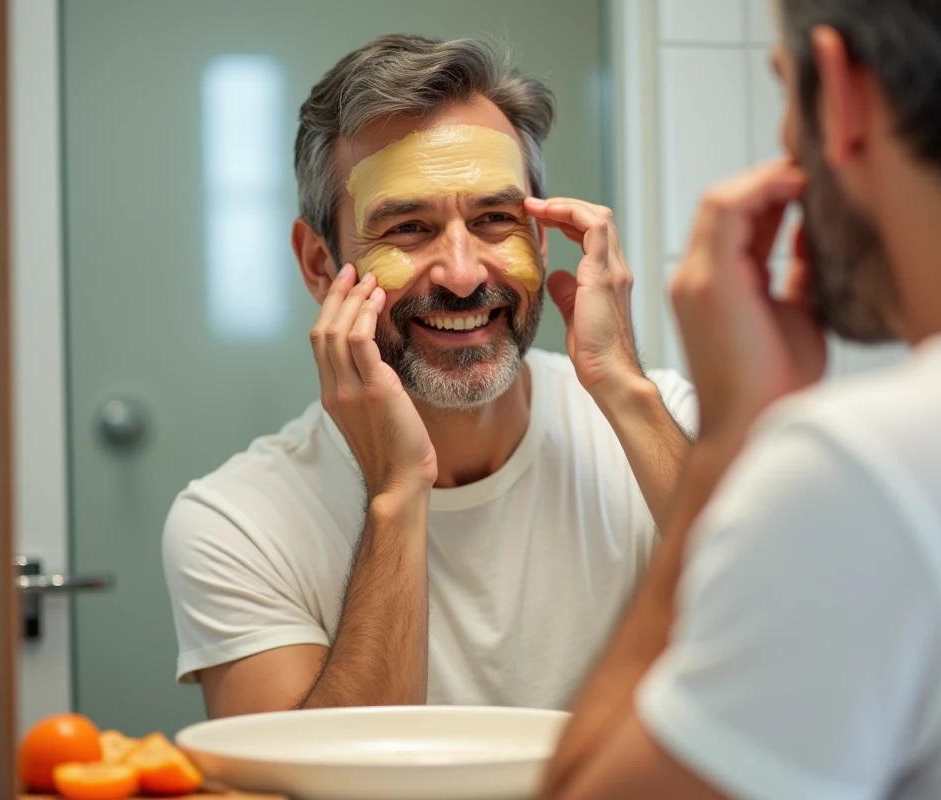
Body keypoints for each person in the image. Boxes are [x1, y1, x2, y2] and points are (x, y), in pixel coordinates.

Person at [544, 2, 941, 798]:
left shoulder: (871, 475)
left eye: (786, 93)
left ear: (841, 90)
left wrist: (729, 444)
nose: (785, 144)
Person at [161, 35, 695, 718]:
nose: (465, 274)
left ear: (540, 237)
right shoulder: (236, 522)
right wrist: (396, 493)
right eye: (409, 228)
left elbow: (796, 646)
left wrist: (621, 385)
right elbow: (320, 784)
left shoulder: (662, 425)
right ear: (320, 265)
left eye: (495, 219)